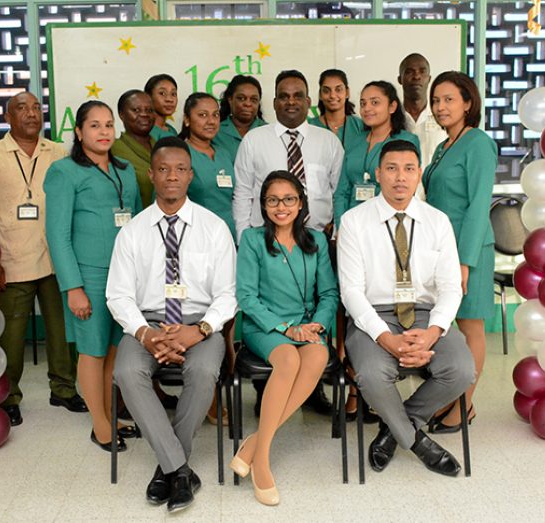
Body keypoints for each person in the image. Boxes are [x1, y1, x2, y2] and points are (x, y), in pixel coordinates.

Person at [107, 136, 237, 513]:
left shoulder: (213, 228)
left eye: (180, 169)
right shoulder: (132, 231)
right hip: (147, 324)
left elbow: (228, 294)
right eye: (163, 169)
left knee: (203, 370)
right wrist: (146, 334)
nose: (172, 177)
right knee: (128, 372)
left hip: (199, 325)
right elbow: (118, 295)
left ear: (190, 175)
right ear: (151, 174)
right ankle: (179, 469)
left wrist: (198, 330)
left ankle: (167, 467)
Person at [337, 139, 475, 477]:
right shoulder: (354, 221)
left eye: (409, 169)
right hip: (374, 317)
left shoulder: (437, 221)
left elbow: (449, 287)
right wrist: (386, 339)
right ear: (378, 174)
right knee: (370, 375)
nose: (401, 177)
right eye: (392, 169)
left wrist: (432, 333)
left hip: (427, 316)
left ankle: (395, 429)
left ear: (418, 177)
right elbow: (351, 292)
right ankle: (417, 443)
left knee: (461, 370)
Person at [234, 69, 343, 415]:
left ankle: (310, 392)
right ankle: (270, 391)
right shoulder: (255, 140)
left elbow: (338, 191)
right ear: (275, 101)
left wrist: (333, 234)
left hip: (316, 241)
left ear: (309, 101)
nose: (291, 101)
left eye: (298, 95)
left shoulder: (328, 142)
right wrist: (246, 242)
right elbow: (242, 193)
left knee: (315, 302)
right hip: (265, 241)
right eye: (283, 95)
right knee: (274, 319)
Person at [231, 171, 338, 506]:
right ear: (263, 205)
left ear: (301, 203)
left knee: (318, 356)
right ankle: (261, 460)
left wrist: (316, 326)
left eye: (289, 199)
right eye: (272, 200)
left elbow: (330, 294)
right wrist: (286, 329)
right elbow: (246, 297)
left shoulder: (316, 241)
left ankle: (253, 444)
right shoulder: (252, 239)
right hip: (264, 327)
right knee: (289, 359)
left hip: (307, 327)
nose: (281, 207)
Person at [45, 100, 143, 452]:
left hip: (127, 277)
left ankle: (111, 414)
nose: (104, 132)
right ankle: (100, 425)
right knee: (92, 350)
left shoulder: (125, 169)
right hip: (89, 277)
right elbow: (57, 234)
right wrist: (73, 287)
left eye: (108, 125)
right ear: (79, 131)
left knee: (115, 350)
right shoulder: (64, 171)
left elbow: (139, 222)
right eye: (95, 126)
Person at [0, 92, 86, 427]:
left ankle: (63, 388)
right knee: (12, 336)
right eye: (22, 108)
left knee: (62, 330)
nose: (31, 114)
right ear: (7, 116)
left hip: (56, 258)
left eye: (36, 108)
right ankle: (8, 396)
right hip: (12, 257)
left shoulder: (57, 151)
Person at [422, 71, 497, 432]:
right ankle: (452, 398)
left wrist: (465, 261)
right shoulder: (443, 146)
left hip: (469, 251)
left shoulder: (478, 143)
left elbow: (479, 205)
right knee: (448, 326)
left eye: (449, 99)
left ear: (468, 103)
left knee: (470, 327)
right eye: (436, 100)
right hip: (441, 251)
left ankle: (464, 405)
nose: (440, 107)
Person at [333, 81, 421, 229]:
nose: (367, 108)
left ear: (392, 107)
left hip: (388, 222)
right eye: (363, 104)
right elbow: (342, 191)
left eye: (374, 102)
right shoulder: (355, 142)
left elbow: (408, 188)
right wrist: (342, 226)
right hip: (353, 222)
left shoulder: (406, 140)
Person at [180, 92, 236, 239]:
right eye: (203, 115)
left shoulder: (224, 154)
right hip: (196, 237)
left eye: (215, 115)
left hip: (228, 234)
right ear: (187, 119)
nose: (211, 121)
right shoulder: (181, 155)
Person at [397, 53, 448, 199]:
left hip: (438, 200)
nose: (416, 76)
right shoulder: (391, 119)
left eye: (422, 71)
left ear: (429, 78)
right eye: (409, 72)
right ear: (400, 79)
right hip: (400, 201)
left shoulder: (444, 119)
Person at [111, 89, 156, 208]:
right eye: (136, 110)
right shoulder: (112, 148)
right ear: (121, 115)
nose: (144, 114)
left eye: (149, 110)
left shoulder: (163, 148)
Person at [307, 69, 366, 151]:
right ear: (320, 94)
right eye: (326, 91)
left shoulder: (360, 126)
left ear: (347, 92)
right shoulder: (310, 126)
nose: (333, 95)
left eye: (338, 90)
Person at [213, 75, 266, 163]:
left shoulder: (268, 132)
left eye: (253, 99)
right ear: (230, 99)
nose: (248, 104)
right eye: (241, 98)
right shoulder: (216, 131)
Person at [145, 74, 179, 142]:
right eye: (162, 93)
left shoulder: (171, 130)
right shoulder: (145, 131)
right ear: (148, 97)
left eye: (173, 94)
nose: (169, 99)